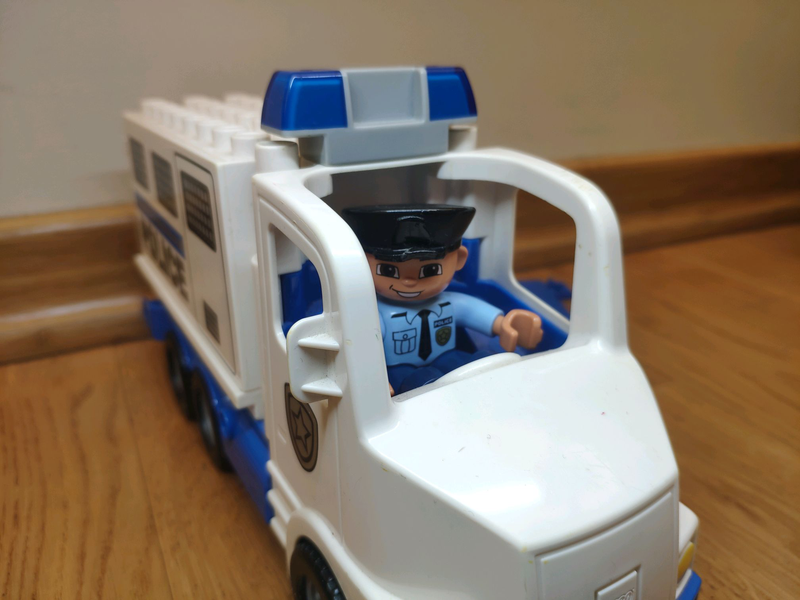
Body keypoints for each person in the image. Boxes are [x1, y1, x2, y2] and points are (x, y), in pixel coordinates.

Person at [343, 204, 543, 395]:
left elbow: (472, 311)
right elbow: (364, 345)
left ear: (459, 260)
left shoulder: (450, 303)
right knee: (421, 385)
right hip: (400, 369)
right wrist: (373, 377)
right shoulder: (377, 314)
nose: (409, 281)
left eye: (429, 270)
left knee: (478, 366)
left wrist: (505, 325)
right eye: (389, 270)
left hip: (447, 356)